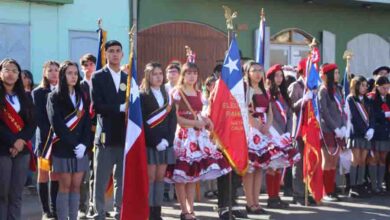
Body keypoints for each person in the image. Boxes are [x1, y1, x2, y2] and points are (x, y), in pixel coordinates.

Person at [165, 62, 231, 220]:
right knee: (181, 176)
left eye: (194, 73)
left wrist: (208, 122)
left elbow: (200, 113)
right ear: (183, 75)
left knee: (192, 175)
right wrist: (195, 123)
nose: (192, 76)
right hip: (183, 136)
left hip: (198, 136)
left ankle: (191, 209)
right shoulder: (177, 92)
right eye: (188, 73)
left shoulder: (199, 93)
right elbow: (176, 118)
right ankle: (184, 210)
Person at [46, 61, 91, 220]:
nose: (73, 76)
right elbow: (57, 124)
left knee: (76, 186)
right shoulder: (54, 97)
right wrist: (75, 144)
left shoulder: (82, 95)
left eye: (75, 73)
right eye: (69, 73)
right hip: (63, 147)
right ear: (63, 76)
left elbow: (87, 122)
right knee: (64, 187)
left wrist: (84, 144)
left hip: (81, 149)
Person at [91, 40, 127, 220]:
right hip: (105, 135)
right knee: (101, 178)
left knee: (121, 179)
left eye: (118, 51)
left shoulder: (128, 78)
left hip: (124, 136)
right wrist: (119, 108)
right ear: (105, 54)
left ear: (122, 54)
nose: (114, 54)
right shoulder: (97, 76)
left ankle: (120, 211)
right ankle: (98, 211)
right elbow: (97, 106)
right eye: (111, 51)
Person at [0, 58, 36, 220]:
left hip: (22, 150)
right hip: (2, 149)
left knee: (16, 194)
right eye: (7, 70)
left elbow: (32, 123)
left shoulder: (25, 97)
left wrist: (20, 141)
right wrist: (12, 141)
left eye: (15, 71)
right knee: (2, 193)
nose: (11, 74)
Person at [140, 62, 177, 219]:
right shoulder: (142, 95)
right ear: (148, 76)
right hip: (150, 144)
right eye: (155, 74)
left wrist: (168, 140)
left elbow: (172, 120)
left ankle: (157, 211)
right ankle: (148, 212)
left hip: (165, 143)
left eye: (160, 74)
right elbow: (142, 122)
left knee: (160, 178)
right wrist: (156, 141)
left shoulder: (167, 95)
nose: (158, 77)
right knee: (150, 178)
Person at [266, 64, 300, 208]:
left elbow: (289, 114)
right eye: (276, 76)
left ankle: (276, 196)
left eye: (281, 76)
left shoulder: (283, 94)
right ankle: (271, 197)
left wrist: (289, 133)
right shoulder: (267, 94)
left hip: (284, 134)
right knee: (272, 166)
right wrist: (276, 133)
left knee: (279, 166)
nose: (279, 79)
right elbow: (268, 116)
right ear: (270, 78)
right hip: (273, 134)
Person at [242, 60, 271, 215]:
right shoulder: (245, 89)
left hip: (264, 129)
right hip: (251, 131)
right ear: (248, 72)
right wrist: (254, 124)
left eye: (260, 70)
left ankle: (257, 202)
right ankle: (249, 203)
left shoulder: (264, 89)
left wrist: (268, 125)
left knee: (260, 168)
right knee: (250, 168)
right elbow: (244, 109)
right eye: (254, 70)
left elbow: (269, 110)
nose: (258, 73)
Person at [32, 61, 60, 219]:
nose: (54, 73)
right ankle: (45, 211)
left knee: (55, 175)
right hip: (45, 140)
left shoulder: (63, 91)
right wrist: (52, 133)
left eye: (57, 70)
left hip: (59, 141)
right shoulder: (38, 92)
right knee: (43, 174)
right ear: (44, 72)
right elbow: (40, 118)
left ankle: (54, 209)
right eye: (50, 70)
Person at [287, 58, 316, 205]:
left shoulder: (312, 86)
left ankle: (307, 191)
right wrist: (303, 100)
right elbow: (291, 106)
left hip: (310, 130)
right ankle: (298, 194)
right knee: (298, 164)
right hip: (298, 130)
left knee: (309, 162)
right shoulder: (295, 86)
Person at [318, 63, 347, 201]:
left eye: (338, 73)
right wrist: (335, 128)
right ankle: (325, 192)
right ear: (328, 75)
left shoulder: (338, 90)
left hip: (339, 130)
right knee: (327, 160)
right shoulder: (323, 91)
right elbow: (324, 112)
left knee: (334, 161)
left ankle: (331, 189)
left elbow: (341, 110)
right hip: (328, 130)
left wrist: (343, 126)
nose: (338, 75)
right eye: (335, 73)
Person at [346, 76, 374, 197]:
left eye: (366, 85)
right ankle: (352, 186)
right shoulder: (351, 99)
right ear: (356, 86)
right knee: (355, 159)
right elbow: (354, 118)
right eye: (362, 85)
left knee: (363, 160)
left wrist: (372, 128)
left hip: (367, 134)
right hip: (356, 133)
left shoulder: (368, 100)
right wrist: (365, 131)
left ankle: (360, 184)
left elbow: (372, 116)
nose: (364, 87)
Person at [78, 53, 97, 218]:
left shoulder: (100, 83)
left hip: (99, 133)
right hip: (84, 134)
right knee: (83, 173)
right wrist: (89, 126)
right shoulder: (79, 86)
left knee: (95, 172)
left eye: (91, 64)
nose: (88, 67)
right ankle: (82, 206)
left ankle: (93, 205)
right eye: (85, 64)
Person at [368, 76, 390, 193]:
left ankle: (380, 185)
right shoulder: (372, 99)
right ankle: (373, 185)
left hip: (386, 134)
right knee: (374, 159)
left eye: (387, 88)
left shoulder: (389, 98)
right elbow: (373, 115)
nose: (386, 90)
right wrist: (385, 114)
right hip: (376, 133)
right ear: (377, 87)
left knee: (382, 159)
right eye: (383, 88)